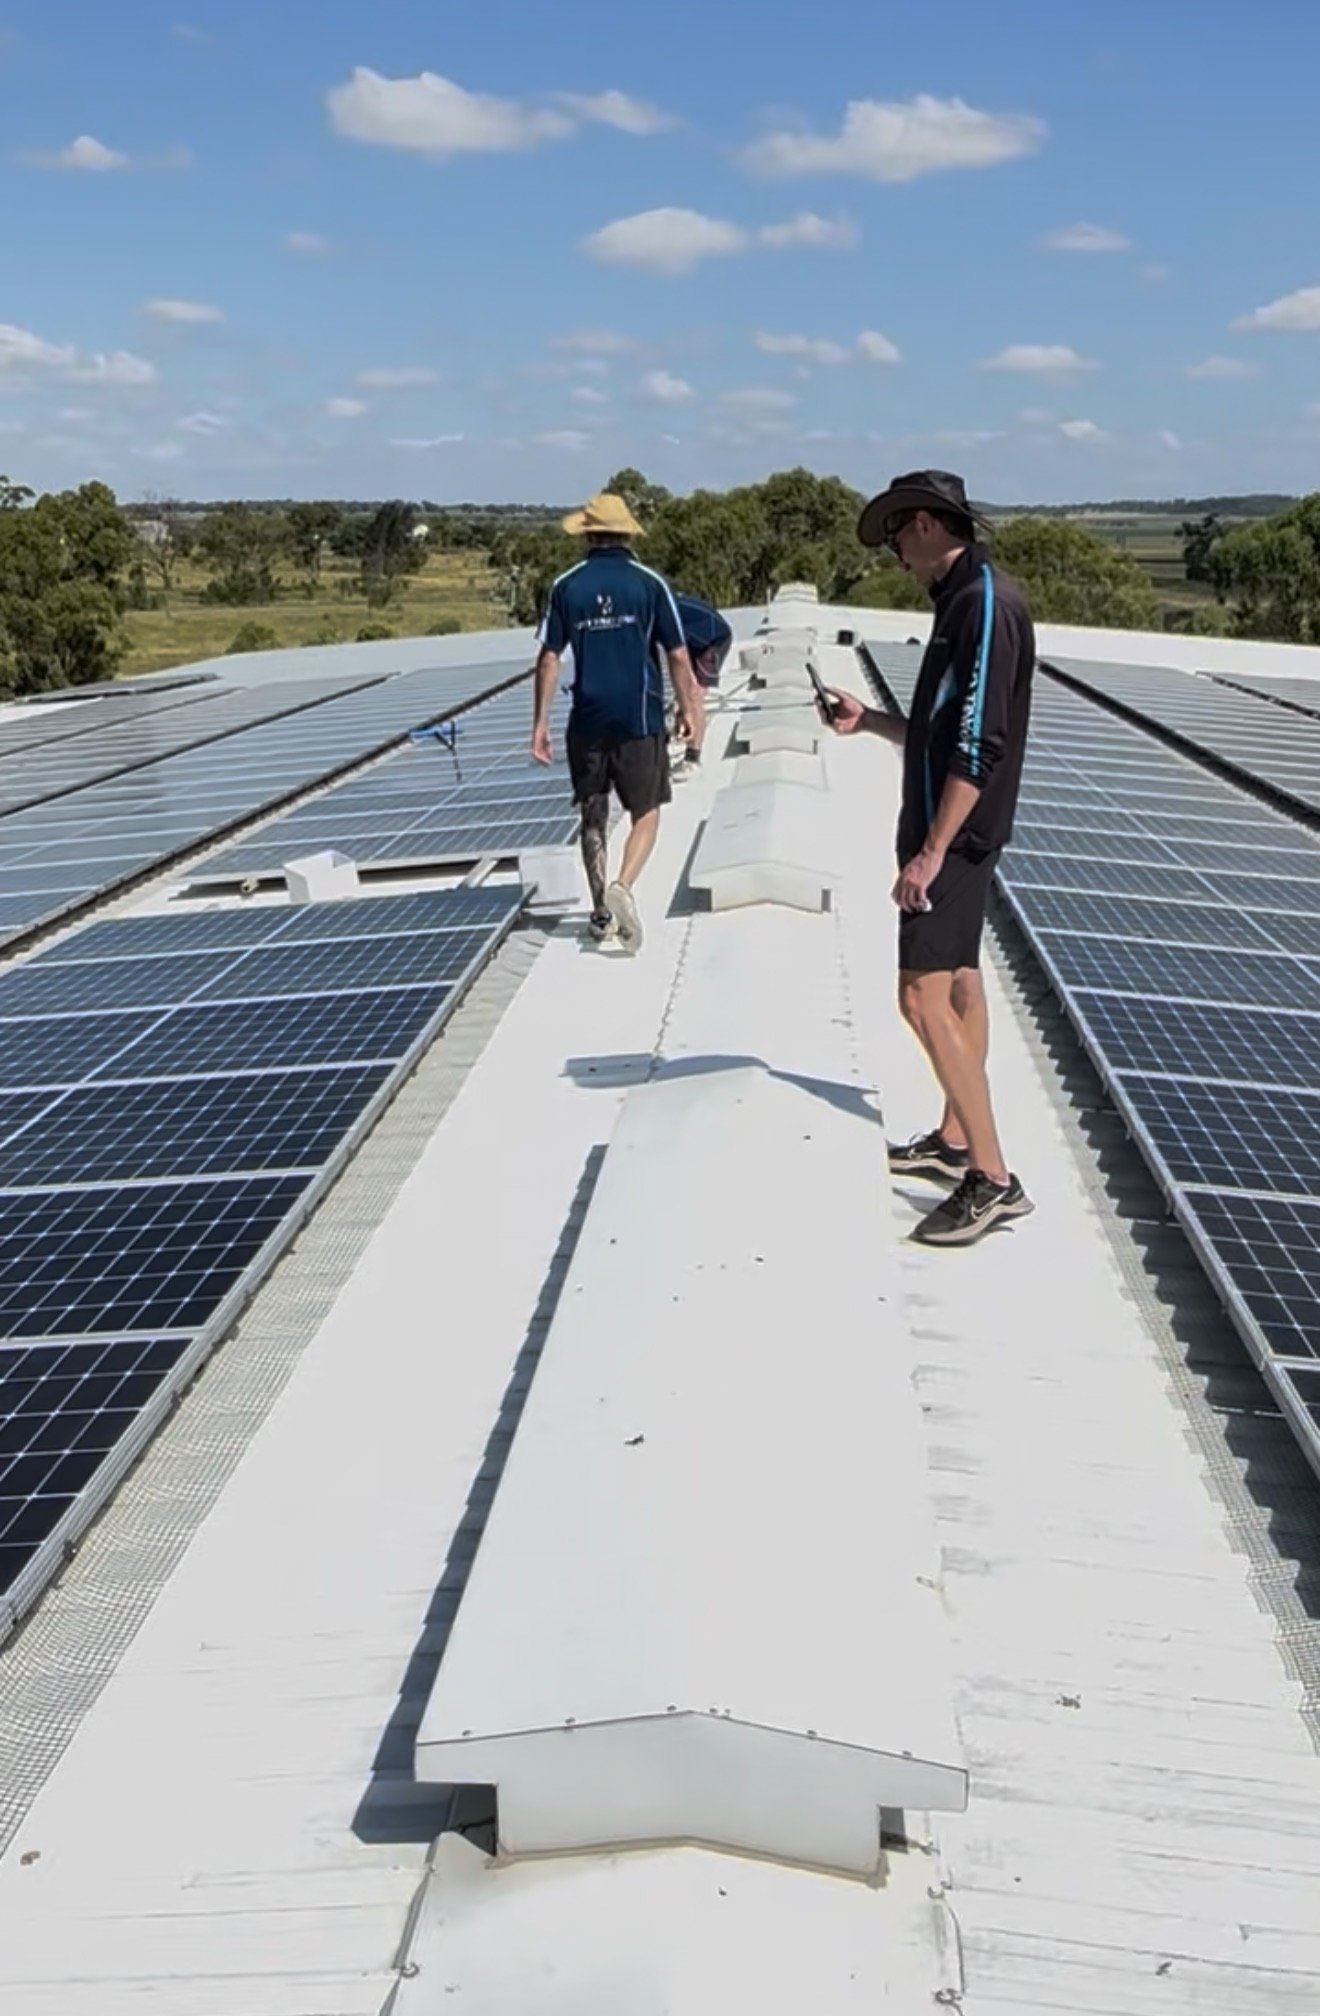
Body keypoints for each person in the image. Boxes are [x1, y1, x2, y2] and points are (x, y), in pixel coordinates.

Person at [824, 470, 1036, 1247]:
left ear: (923, 525)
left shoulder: (981, 607)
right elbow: (947, 729)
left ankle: (994, 1179)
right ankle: (956, 1140)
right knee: (961, 985)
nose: (893, 558)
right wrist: (872, 720)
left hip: (956, 837)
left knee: (919, 997)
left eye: (893, 541)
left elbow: (979, 743)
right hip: (961, 834)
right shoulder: (965, 597)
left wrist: (930, 853)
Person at [532, 491, 701, 954]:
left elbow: (549, 658)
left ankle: (601, 912)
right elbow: (679, 654)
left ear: (588, 533)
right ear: (626, 533)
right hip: (639, 717)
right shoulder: (649, 584)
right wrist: (688, 708)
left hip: (586, 718)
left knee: (593, 814)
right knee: (646, 812)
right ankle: (623, 886)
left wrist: (539, 724)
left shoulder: (567, 586)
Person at [669, 592, 733, 778]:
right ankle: (684, 731)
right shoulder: (663, 606)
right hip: (694, 640)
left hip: (714, 640)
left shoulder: (665, 613)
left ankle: (692, 759)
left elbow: (675, 654)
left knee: (694, 695)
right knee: (684, 691)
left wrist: (685, 696)